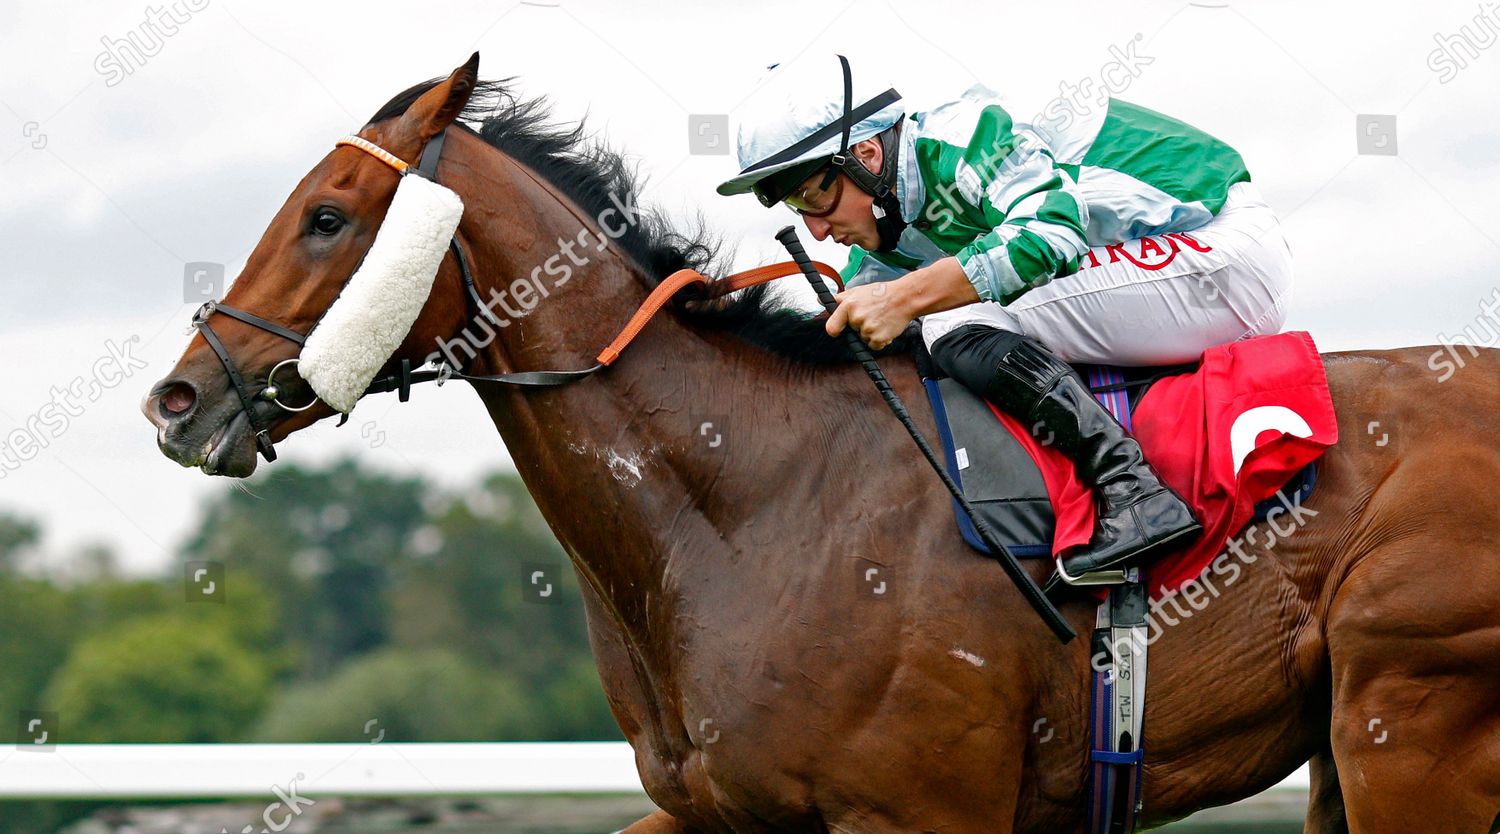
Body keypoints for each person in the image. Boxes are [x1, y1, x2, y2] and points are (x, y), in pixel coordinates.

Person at [716, 56, 1293, 584]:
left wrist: (908, 298)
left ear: (866, 156)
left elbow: (1052, 232)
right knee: (932, 315)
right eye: (796, 209)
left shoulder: (965, 137)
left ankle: (1134, 489)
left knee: (945, 319)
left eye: (816, 196)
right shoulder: (889, 221)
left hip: (1221, 251)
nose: (816, 229)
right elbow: (852, 330)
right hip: (1168, 270)